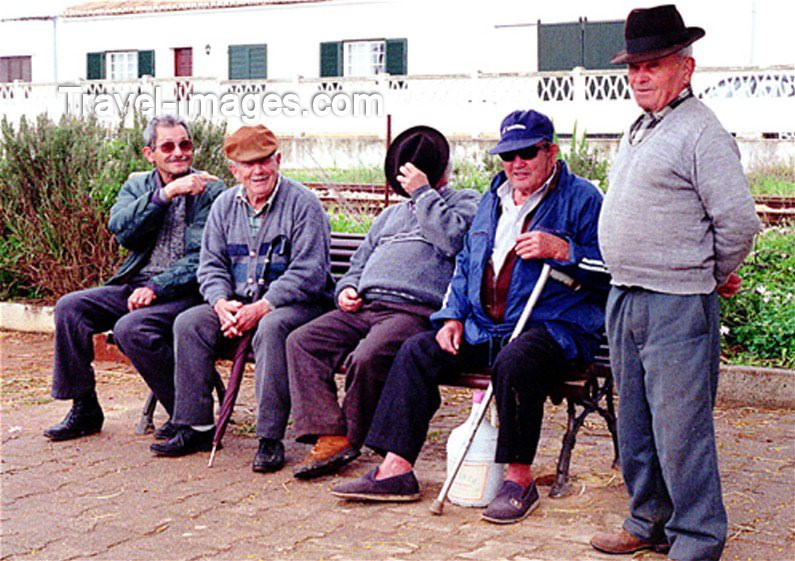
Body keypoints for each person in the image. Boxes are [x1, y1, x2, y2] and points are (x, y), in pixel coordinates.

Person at [331, 109, 609, 524]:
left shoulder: (584, 199)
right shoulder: (491, 200)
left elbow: (613, 269)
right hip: (486, 327)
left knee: (516, 361)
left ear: (551, 151)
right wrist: (452, 316)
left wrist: (565, 251)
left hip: (552, 328)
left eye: (527, 153)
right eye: (508, 155)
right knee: (417, 350)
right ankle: (396, 469)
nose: (516, 164)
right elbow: (466, 264)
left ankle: (518, 481)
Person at [589, 6, 761, 561]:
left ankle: (698, 540)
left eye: (653, 65)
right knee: (635, 424)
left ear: (685, 69)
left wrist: (707, 275)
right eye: (633, 67)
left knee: (682, 431)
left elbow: (737, 222)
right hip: (626, 293)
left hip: (676, 302)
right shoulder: (642, 126)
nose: (639, 76)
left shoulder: (702, 132)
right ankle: (648, 522)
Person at [286, 126, 480, 479]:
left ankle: (350, 437)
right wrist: (347, 288)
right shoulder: (389, 217)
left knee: (367, 356)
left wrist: (424, 193)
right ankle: (331, 433)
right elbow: (358, 264)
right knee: (302, 341)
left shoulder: (464, 202)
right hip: (367, 305)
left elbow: (454, 241)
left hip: (414, 311)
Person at [150, 124, 334, 474]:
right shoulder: (223, 205)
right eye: (247, 164)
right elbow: (210, 266)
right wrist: (220, 303)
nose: (258, 171)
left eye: (264, 161)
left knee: (272, 329)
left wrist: (263, 306)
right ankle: (195, 426)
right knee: (189, 322)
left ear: (278, 160)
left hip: (295, 306)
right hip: (237, 304)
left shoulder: (303, 204)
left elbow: (310, 272)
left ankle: (269, 438)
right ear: (234, 170)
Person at [44, 115, 226, 442]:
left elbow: (202, 258)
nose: (178, 153)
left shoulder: (210, 190)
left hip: (186, 292)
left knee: (133, 328)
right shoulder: (139, 186)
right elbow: (121, 230)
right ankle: (85, 408)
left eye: (184, 145)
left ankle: (187, 416)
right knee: (70, 308)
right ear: (149, 154)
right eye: (167, 146)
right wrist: (165, 195)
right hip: (136, 284)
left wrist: (156, 287)